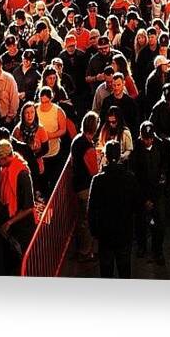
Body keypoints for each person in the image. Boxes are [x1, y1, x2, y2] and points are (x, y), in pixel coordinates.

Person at [87, 139, 141, 278]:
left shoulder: (98, 180)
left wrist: (94, 232)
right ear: (120, 156)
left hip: (105, 234)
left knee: (106, 271)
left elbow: (91, 209)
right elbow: (137, 205)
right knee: (124, 270)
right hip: (124, 232)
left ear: (105, 155)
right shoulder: (130, 178)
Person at [0, 139, 37, 271]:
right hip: (11, 225)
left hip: (23, 228)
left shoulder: (22, 174)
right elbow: (3, 197)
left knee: (25, 264)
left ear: (4, 158)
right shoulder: (4, 169)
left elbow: (29, 207)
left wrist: (10, 223)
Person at [131, 121, 168, 265]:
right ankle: (141, 246)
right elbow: (134, 175)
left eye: (150, 138)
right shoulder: (136, 149)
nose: (149, 141)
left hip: (157, 193)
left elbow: (164, 170)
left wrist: (155, 196)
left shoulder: (160, 146)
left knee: (159, 223)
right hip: (142, 193)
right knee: (140, 222)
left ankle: (158, 249)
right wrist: (143, 198)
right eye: (146, 138)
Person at [70, 111, 100, 263]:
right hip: (85, 187)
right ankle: (86, 251)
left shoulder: (76, 140)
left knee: (82, 219)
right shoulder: (87, 146)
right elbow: (94, 171)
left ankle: (83, 249)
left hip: (77, 184)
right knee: (86, 221)